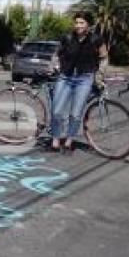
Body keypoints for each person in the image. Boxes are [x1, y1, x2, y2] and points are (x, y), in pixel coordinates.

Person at [50, 11, 107, 153]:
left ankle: (69, 141)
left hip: (84, 79)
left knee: (75, 114)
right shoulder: (67, 38)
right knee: (57, 110)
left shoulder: (96, 40)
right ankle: (55, 139)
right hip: (65, 77)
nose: (78, 25)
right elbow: (56, 54)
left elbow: (104, 58)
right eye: (76, 22)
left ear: (89, 25)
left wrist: (99, 76)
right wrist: (55, 66)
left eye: (82, 23)